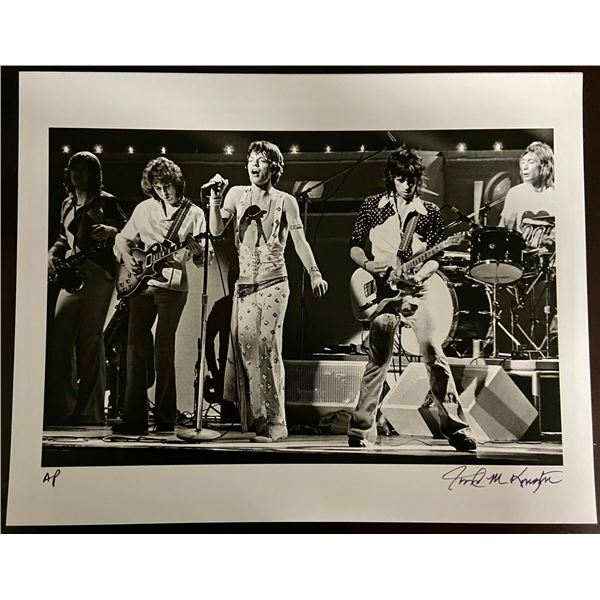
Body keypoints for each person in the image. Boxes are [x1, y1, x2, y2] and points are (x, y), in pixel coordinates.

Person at [347, 146, 476, 451]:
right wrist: (368, 264)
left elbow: (435, 258)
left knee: (432, 350)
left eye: (412, 179)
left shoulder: (428, 212)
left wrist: (420, 275)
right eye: (401, 179)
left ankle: (455, 428)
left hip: (415, 290)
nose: (407, 185)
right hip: (381, 290)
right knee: (378, 358)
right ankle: (360, 429)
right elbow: (354, 246)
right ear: (391, 178)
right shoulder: (373, 206)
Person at [207, 140, 328, 442]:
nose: (254, 164)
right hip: (245, 285)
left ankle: (277, 421)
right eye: (251, 159)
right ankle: (258, 418)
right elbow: (216, 231)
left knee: (267, 346)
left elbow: (299, 241)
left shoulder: (286, 201)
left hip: (275, 282)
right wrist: (214, 199)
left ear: (274, 167)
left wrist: (314, 272)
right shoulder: (235, 194)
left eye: (261, 160)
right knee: (247, 348)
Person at [112, 157, 210, 435]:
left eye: (167, 185)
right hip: (141, 285)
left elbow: (205, 257)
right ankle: (133, 418)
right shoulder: (144, 209)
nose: (164, 192)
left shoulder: (194, 214)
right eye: (157, 187)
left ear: (177, 183)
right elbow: (122, 239)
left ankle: (166, 418)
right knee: (134, 347)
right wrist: (127, 256)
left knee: (163, 349)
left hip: (173, 287)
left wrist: (197, 252)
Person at [46, 151, 126, 426]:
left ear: (94, 174)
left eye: (82, 170)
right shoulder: (67, 203)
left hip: (98, 273)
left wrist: (112, 231)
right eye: (73, 169)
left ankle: (90, 412)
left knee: (90, 340)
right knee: (60, 338)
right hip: (72, 274)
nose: (77, 174)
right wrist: (51, 254)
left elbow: (128, 233)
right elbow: (63, 237)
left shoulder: (107, 201)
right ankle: (63, 407)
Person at [499, 141, 555, 249]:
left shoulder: (558, 195)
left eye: (531, 162)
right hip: (522, 256)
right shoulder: (515, 193)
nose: (525, 167)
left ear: (544, 166)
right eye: (523, 162)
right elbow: (504, 230)